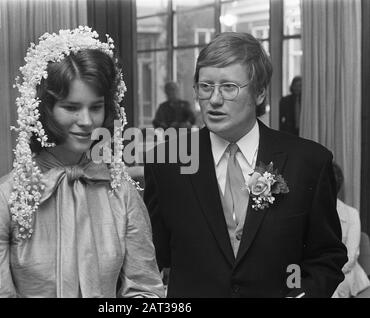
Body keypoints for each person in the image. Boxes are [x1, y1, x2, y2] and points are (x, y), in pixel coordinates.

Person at [0, 27, 164, 298]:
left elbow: (146, 290)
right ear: (44, 110)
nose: (87, 121)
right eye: (72, 107)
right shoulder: (3, 199)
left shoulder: (121, 192)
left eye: (95, 107)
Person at [144, 32, 347, 297]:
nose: (214, 100)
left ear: (260, 93)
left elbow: (326, 257)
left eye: (229, 87)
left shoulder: (308, 162)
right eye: (205, 87)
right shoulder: (167, 162)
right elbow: (150, 259)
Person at [331, 163, 370, 298]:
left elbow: (350, 259)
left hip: (346, 274)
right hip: (319, 272)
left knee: (329, 289)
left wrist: (323, 272)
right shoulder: (311, 213)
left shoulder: (351, 214)